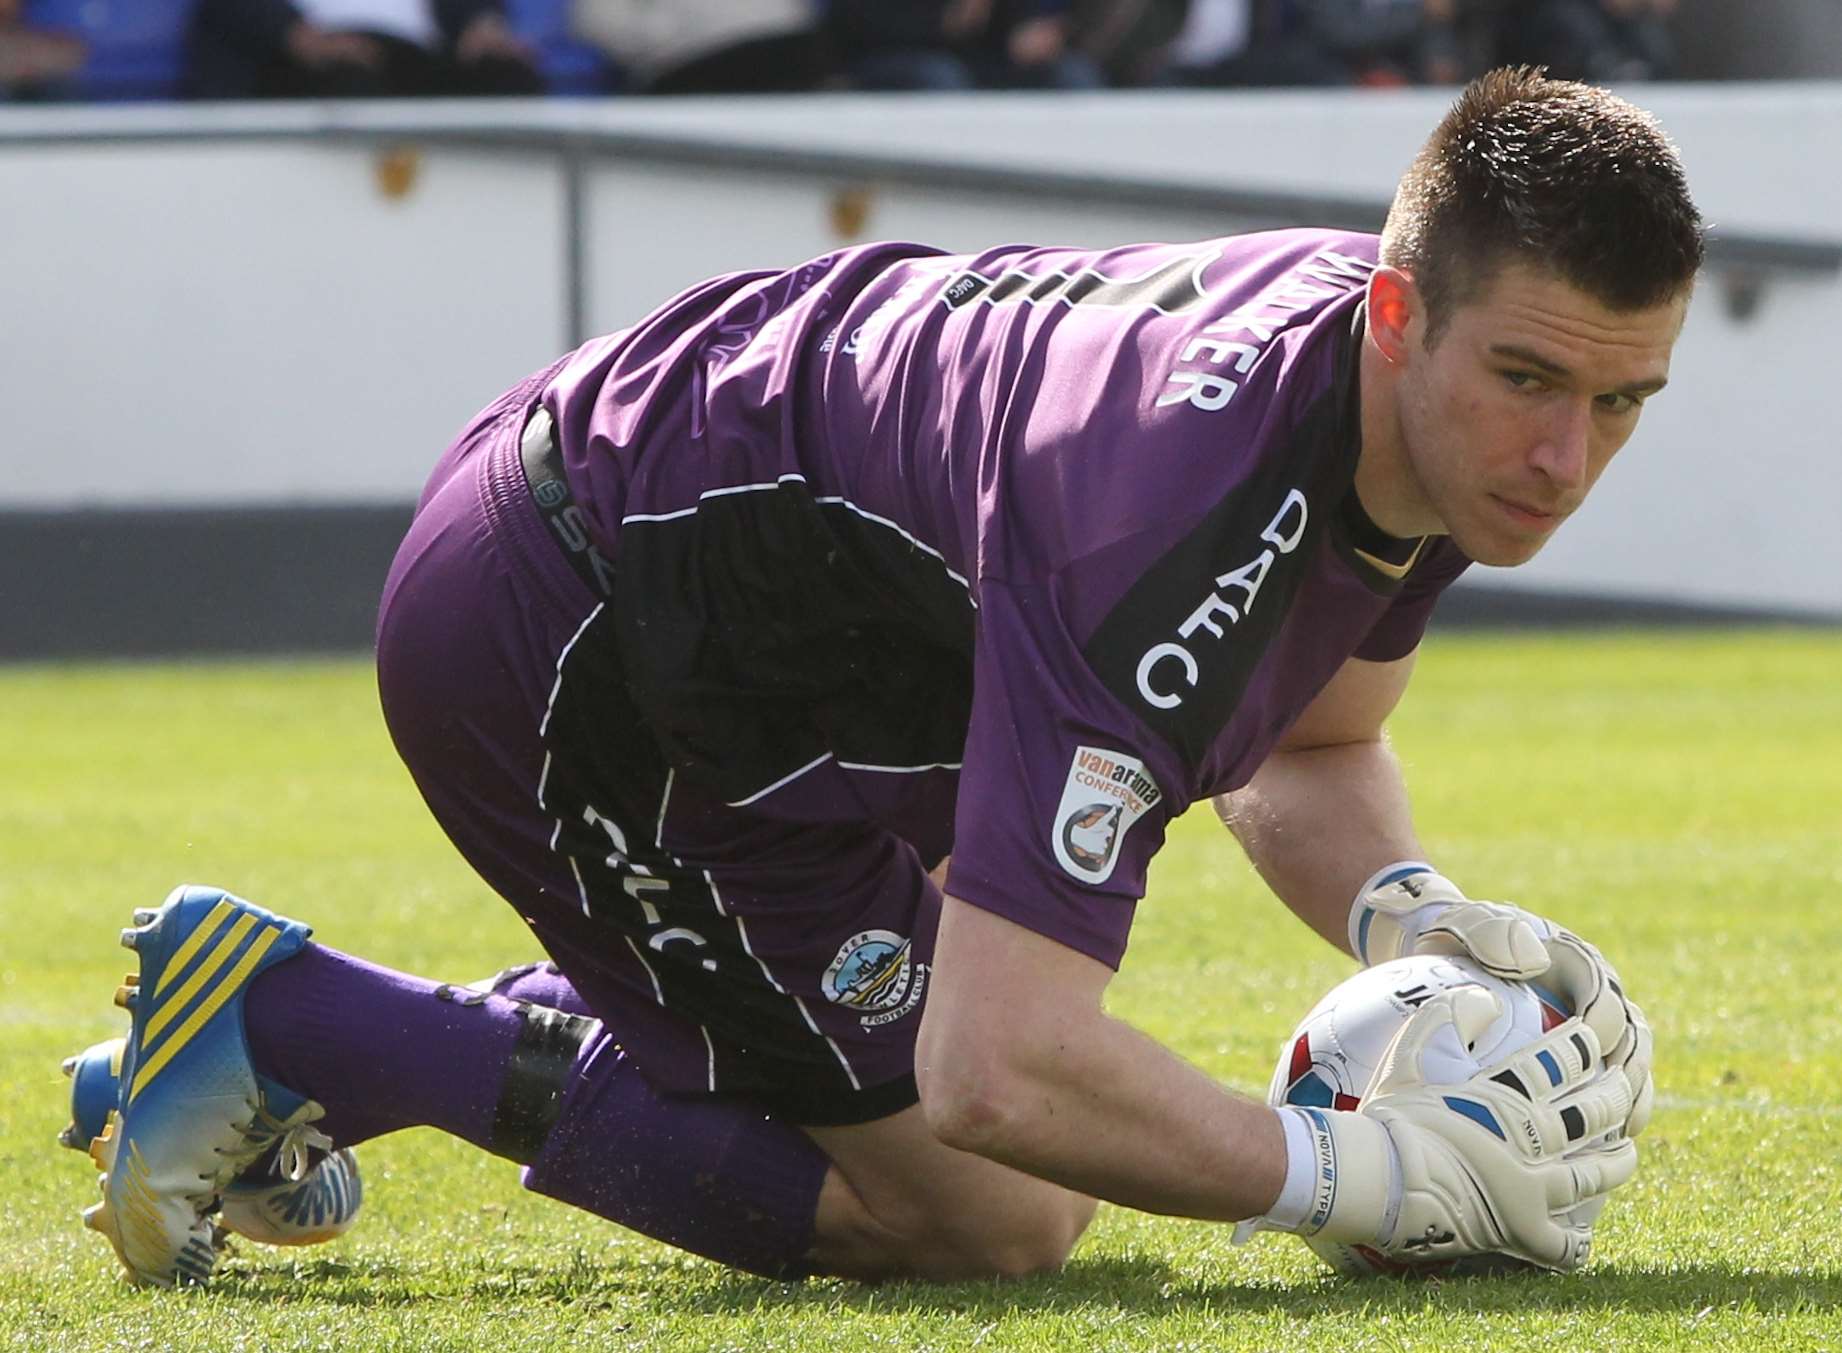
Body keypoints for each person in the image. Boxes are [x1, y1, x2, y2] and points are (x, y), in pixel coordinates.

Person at [72, 68, 1696, 1288]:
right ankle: (313, 1021)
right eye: (1532, 381)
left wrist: (1406, 908)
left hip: (759, 649)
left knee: (870, 1041)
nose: (1565, 457)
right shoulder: (1171, 514)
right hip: (583, 641)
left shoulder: (1420, 416)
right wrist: (1354, 1171)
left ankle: (272, 1061)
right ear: (1402, 312)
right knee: (990, 1211)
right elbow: (1000, 1073)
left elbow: (1304, 742)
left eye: (1623, 402)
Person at [186, 0, 543, 100]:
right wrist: (298, 36)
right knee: (352, 82)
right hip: (301, 56)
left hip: (417, 54)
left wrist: (479, 25)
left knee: (510, 76)